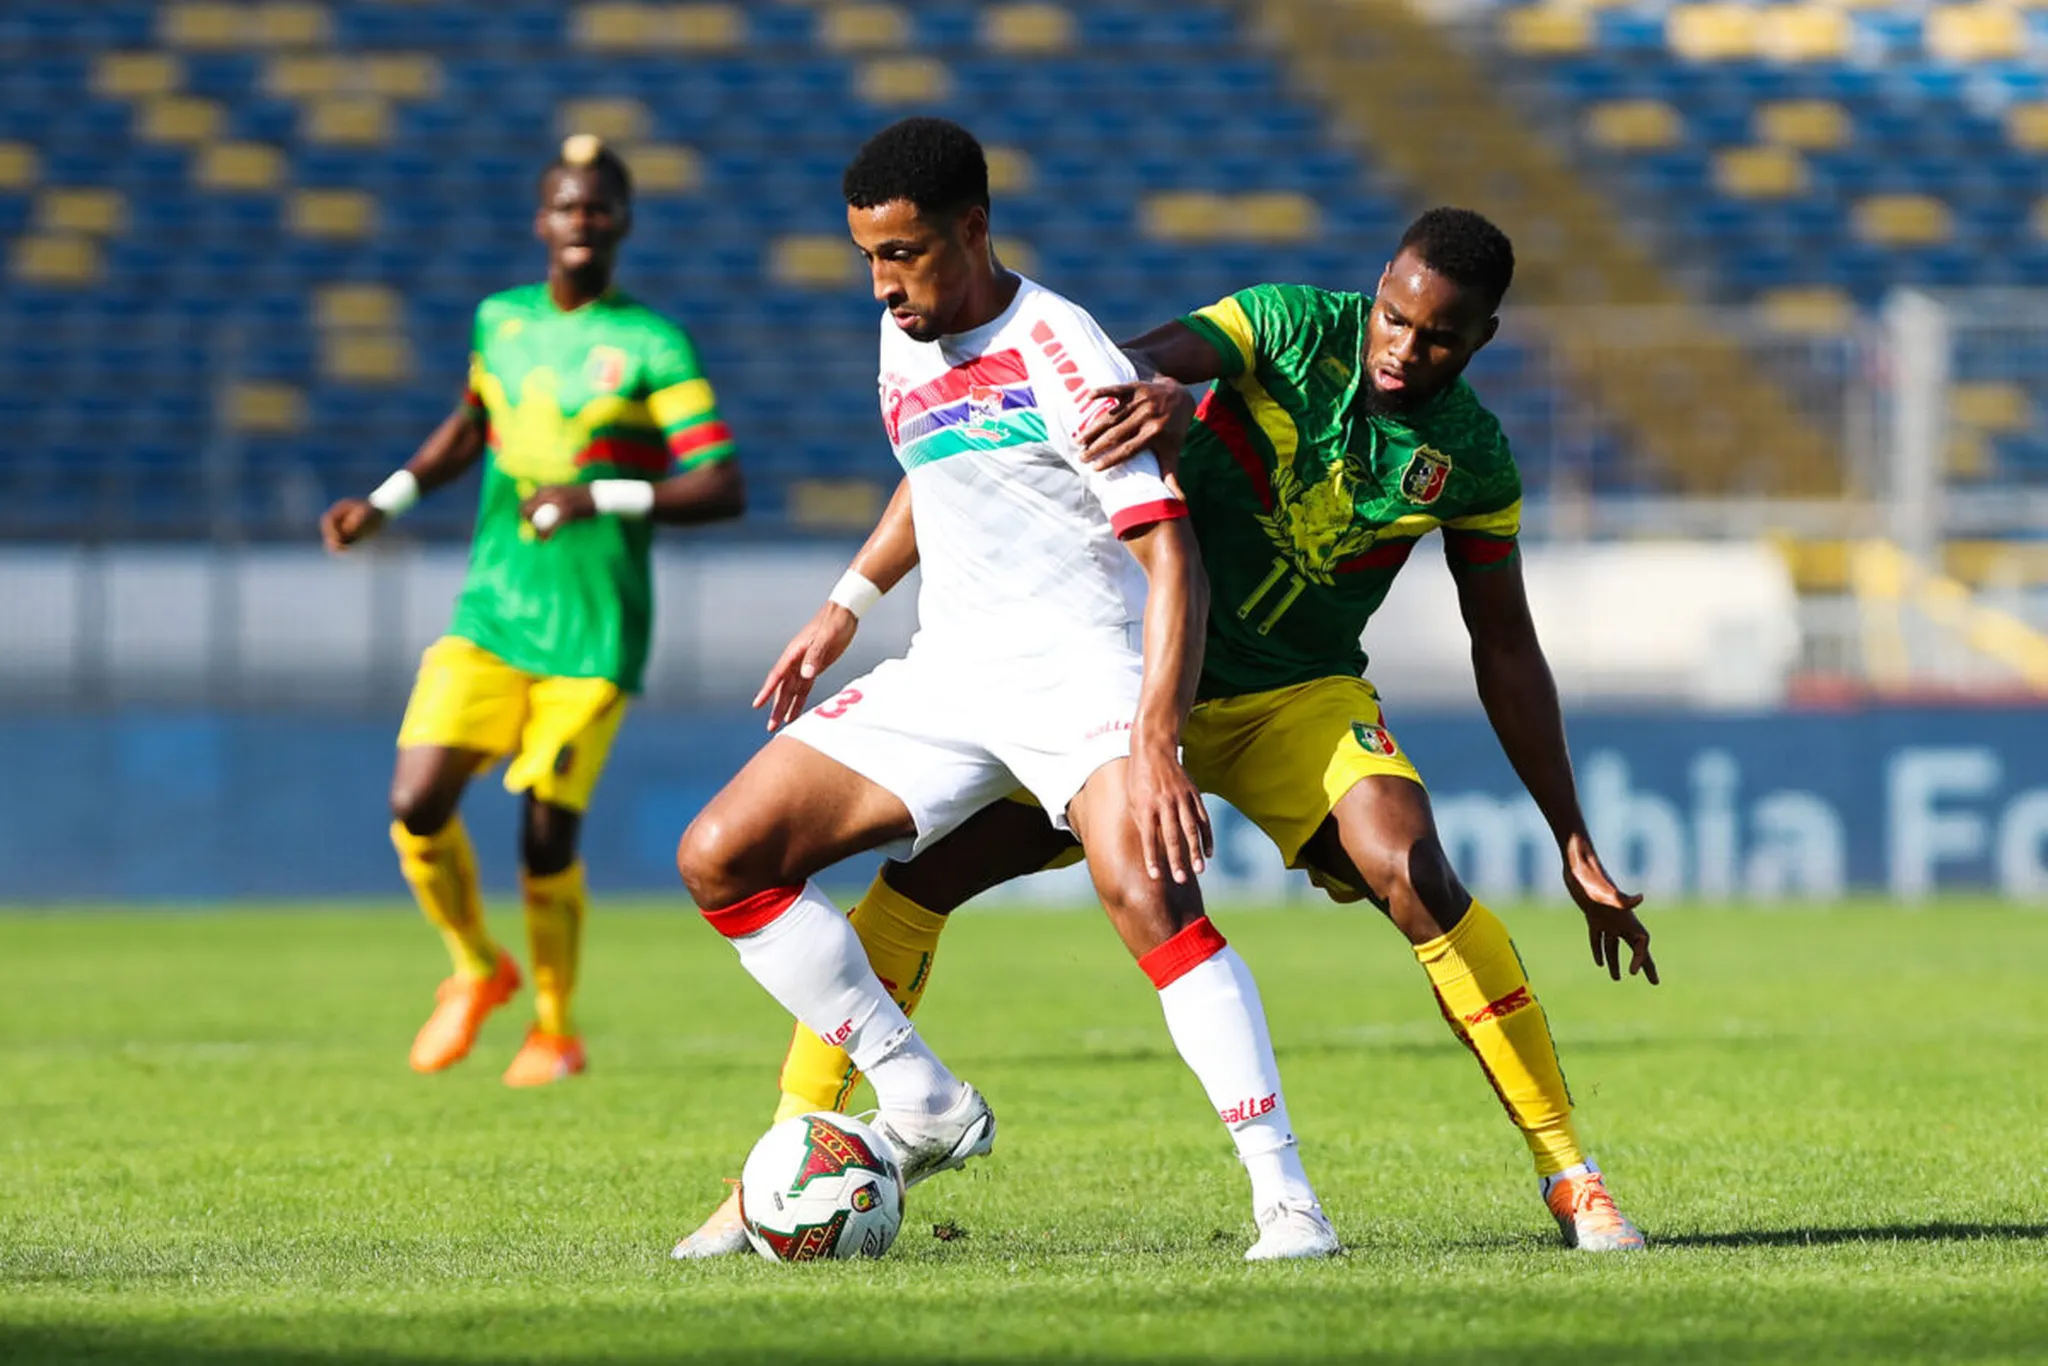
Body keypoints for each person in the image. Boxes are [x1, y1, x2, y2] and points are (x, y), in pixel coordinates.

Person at [676, 207, 1656, 1257]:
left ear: (1482, 339)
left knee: (1414, 871)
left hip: (1292, 698)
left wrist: (1569, 834)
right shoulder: (1285, 325)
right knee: (916, 888)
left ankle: (1569, 1173)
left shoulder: (1473, 460)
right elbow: (1074, 396)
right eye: (1393, 318)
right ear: (1377, 287)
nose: (1403, 349)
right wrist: (1157, 392)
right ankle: (789, 1163)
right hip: (1125, 684)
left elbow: (1504, 647)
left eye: (1439, 339)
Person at [672, 117, 1338, 1262]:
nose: (882, 284)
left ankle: (1287, 1201)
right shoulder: (904, 335)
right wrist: (844, 603)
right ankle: (919, 1098)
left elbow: (1170, 557)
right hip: (949, 672)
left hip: (1080, 675)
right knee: (721, 855)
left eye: (902, 253)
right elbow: (932, 473)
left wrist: (1154, 741)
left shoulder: (1065, 354)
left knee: (1151, 897)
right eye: (867, 257)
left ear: (972, 229)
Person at [320, 136, 745, 1086]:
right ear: (541, 221)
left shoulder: (653, 345)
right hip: (494, 613)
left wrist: (598, 496)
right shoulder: (500, 321)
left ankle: (555, 1031)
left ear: (622, 222)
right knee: (415, 803)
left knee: (546, 829)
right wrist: (383, 503)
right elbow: (470, 427)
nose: (581, 220)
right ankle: (479, 968)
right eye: (566, 206)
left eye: (598, 206)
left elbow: (721, 485)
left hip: (593, 631)